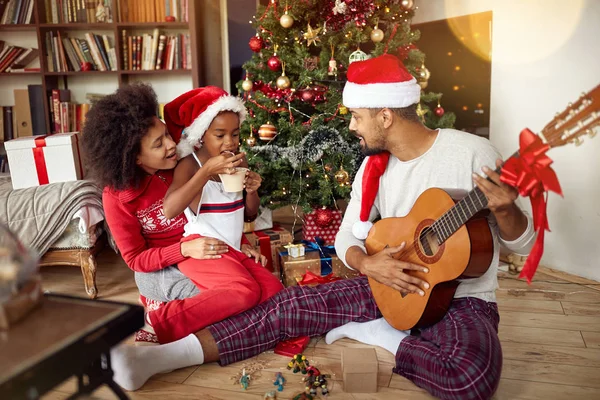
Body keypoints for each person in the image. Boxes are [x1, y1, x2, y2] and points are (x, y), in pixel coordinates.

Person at [109, 55, 536, 399]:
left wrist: (505, 210)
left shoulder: (474, 153)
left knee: (469, 381)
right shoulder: (373, 167)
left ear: (385, 116)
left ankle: (385, 335)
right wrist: (370, 266)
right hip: (385, 285)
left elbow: (522, 240)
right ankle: (159, 359)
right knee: (287, 306)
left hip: (461, 297)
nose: (350, 126)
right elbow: (349, 237)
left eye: (356, 117)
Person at [82, 83, 281, 346]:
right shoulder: (117, 197)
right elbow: (135, 259)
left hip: (210, 252)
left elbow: (216, 214)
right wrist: (185, 250)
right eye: (158, 143)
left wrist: (241, 243)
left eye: (167, 134)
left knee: (269, 293)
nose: (171, 145)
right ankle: (160, 322)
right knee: (241, 296)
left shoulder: (177, 166)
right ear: (135, 157)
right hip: (162, 268)